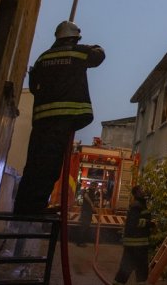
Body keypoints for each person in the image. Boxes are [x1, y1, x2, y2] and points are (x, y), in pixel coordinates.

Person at [13, 21, 105, 214]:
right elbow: (99, 56)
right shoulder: (78, 52)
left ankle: (22, 205)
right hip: (64, 118)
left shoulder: (42, 58)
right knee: (50, 164)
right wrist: (95, 46)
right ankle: (35, 208)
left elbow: (34, 84)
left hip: (42, 120)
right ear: (74, 38)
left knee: (35, 162)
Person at [113, 186, 152, 285]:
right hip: (137, 244)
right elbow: (133, 223)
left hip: (135, 243)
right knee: (141, 268)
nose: (144, 191)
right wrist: (149, 224)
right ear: (137, 193)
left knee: (127, 267)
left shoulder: (140, 204)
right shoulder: (136, 205)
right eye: (141, 190)